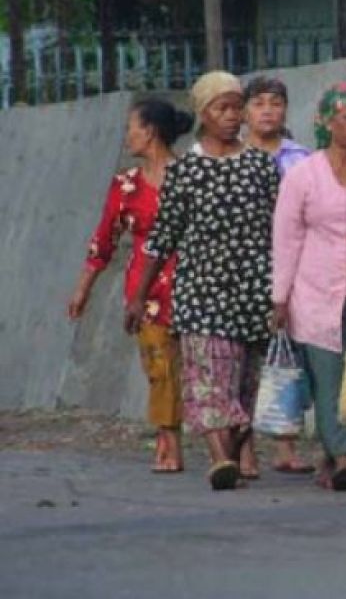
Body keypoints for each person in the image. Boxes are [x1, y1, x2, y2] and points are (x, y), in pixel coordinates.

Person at [126, 71, 278, 491]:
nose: (232, 117)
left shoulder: (261, 166)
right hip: (201, 295)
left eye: (236, 107)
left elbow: (281, 229)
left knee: (245, 386)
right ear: (203, 114)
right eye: (221, 108)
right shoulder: (187, 170)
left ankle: (229, 454)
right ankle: (218, 457)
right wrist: (139, 297)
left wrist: (285, 290)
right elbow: (161, 239)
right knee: (208, 379)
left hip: (253, 293)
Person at [69, 98, 193, 474]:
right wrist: (83, 289)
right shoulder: (125, 186)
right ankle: (169, 438)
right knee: (160, 367)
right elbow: (102, 243)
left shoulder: (193, 175)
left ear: (150, 132)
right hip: (147, 293)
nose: (127, 137)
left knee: (198, 368)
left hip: (198, 288)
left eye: (131, 128)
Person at [273, 83, 346, 491]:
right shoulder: (304, 175)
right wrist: (279, 298)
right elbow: (287, 237)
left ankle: (334, 456)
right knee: (327, 375)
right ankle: (345, 454)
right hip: (313, 291)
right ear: (329, 123)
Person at [243, 75, 311, 476]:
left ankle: (286, 445)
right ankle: (245, 449)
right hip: (244, 268)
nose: (267, 110)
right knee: (246, 358)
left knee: (287, 355)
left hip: (294, 267)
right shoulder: (231, 157)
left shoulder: (299, 159)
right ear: (245, 112)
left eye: (275, 103)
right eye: (258, 103)